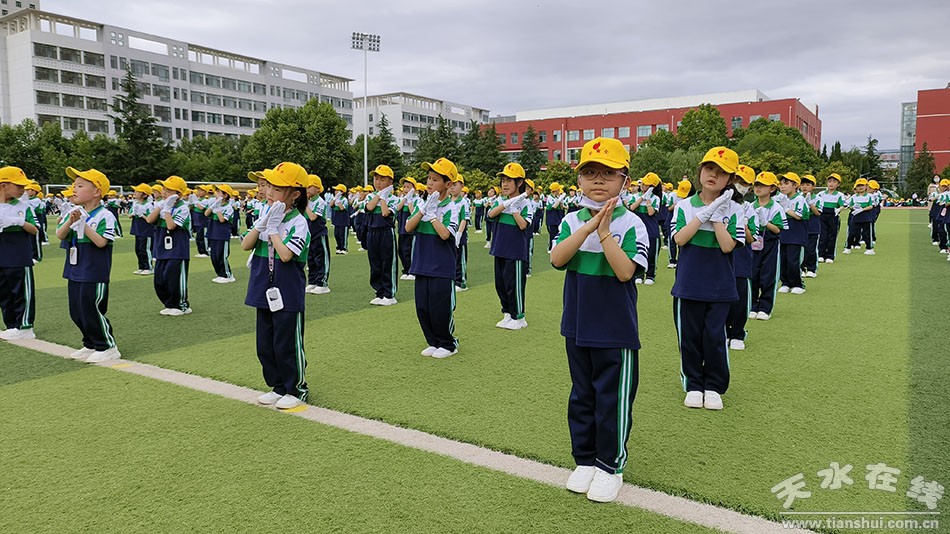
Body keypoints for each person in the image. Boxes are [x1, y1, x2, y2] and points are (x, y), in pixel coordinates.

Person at [550, 137, 648, 504]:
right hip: (576, 323)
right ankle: (585, 459)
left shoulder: (634, 223)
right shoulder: (571, 220)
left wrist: (604, 231)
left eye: (608, 173)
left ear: (625, 180)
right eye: (590, 173)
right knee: (582, 396)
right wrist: (587, 228)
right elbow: (558, 259)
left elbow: (625, 272)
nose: (598, 181)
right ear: (578, 181)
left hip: (616, 328)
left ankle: (610, 466)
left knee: (613, 400)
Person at [670, 147, 745, 411]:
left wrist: (717, 218)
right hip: (688, 284)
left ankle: (714, 385)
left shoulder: (736, 209)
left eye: (721, 172)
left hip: (720, 286)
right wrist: (703, 213)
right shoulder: (684, 205)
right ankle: (693, 384)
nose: (713, 175)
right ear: (700, 171)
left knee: (715, 337)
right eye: (709, 169)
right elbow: (679, 239)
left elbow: (727, 246)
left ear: (731, 180)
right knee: (689, 338)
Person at [242, 162, 311, 410]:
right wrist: (262, 225)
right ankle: (278, 386)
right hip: (263, 287)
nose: (269, 191)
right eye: (269, 185)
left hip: (287, 290)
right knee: (265, 344)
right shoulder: (265, 213)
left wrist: (273, 231)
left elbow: (285, 255)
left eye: (277, 187)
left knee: (286, 343)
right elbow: (245, 245)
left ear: (295, 194)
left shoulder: (298, 222)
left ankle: (296, 388)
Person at [56, 167, 119, 362]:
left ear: (97, 192)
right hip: (75, 269)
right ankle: (89, 343)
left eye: (80, 186)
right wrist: (71, 221)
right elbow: (60, 234)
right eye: (74, 185)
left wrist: (84, 223)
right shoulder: (74, 212)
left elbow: (101, 242)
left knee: (91, 308)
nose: (74, 189)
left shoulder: (105, 215)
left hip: (94, 271)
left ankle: (106, 345)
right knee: (76, 310)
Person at [405, 157, 461, 359]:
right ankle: (432, 341)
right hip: (422, 264)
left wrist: (433, 216)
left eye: (435, 179)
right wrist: (422, 211)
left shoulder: (451, 208)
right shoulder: (423, 204)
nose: (429, 183)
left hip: (441, 267)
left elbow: (446, 234)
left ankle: (448, 343)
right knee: (423, 307)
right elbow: (408, 227)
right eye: (429, 178)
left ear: (448, 184)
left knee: (440, 308)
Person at [487, 163, 533, 330]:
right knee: (501, 284)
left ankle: (519, 316)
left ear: (519, 183)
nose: (504, 184)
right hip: (499, 248)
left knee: (514, 285)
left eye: (509, 180)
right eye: (503, 180)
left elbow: (523, 225)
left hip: (515, 251)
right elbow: (490, 214)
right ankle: (507, 313)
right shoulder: (500, 201)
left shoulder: (526, 203)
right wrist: (506, 204)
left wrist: (514, 210)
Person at [0, 167, 39, 341]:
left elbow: (34, 229)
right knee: (4, 292)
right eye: (18, 185)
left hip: (18, 255)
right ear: (3, 185)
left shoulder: (23, 206)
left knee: (21, 291)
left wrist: (19, 221)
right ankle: (11, 326)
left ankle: (25, 326)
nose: (22, 189)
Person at [145, 175, 193, 316]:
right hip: (161, 248)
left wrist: (166, 210)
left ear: (178, 194)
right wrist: (161, 207)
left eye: (169, 190)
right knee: (160, 279)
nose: (164, 192)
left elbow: (171, 226)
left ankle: (181, 305)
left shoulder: (182, 208)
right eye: (164, 189)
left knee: (174, 278)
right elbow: (149, 220)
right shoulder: (161, 205)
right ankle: (169, 303)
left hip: (177, 249)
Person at [726, 165, 757, 351]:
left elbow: (753, 238)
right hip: (721, 258)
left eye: (744, 183)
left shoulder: (749, 209)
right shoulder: (720, 204)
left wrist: (743, 227)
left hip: (741, 258)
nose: (740, 186)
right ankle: (721, 331)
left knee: (740, 297)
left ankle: (737, 333)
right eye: (738, 181)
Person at [749, 172, 786, 321]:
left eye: (762, 185)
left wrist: (765, 222)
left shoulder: (776, 208)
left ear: (772, 188)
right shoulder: (751, 206)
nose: (758, 188)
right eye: (756, 184)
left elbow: (778, 229)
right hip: (754, 243)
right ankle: (752, 305)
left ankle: (765, 307)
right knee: (752, 274)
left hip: (770, 243)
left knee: (768, 275)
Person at [363, 166, 398, 305]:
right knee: (375, 263)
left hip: (386, 233)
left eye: (382, 179)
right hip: (372, 233)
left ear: (390, 182)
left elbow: (385, 213)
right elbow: (369, 208)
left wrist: (383, 197)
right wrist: (379, 195)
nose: (377, 182)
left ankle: (389, 294)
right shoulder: (371, 196)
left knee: (387, 263)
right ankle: (379, 292)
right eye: (376, 179)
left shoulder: (393, 199)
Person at [625, 172, 661, 285]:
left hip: (651, 228)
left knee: (651, 252)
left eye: (646, 184)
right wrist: (642, 198)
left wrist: (648, 201)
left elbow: (651, 213)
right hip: (638, 228)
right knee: (638, 251)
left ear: (652, 187)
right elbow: (632, 207)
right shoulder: (635, 197)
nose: (643, 186)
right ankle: (639, 275)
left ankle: (650, 275)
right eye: (643, 183)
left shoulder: (656, 199)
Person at [777, 172, 807, 294]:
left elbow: (799, 216)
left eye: (786, 183)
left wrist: (786, 208)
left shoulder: (799, 198)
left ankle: (797, 283)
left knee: (793, 260)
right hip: (783, 234)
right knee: (783, 260)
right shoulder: (781, 198)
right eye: (781, 184)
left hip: (796, 234)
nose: (782, 186)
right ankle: (785, 282)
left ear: (795, 185)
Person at [205, 184, 237, 283]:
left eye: (219, 192)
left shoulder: (229, 207)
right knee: (214, 256)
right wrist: (214, 206)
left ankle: (228, 275)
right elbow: (206, 214)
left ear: (225, 195)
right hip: (213, 233)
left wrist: (218, 209)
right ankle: (220, 274)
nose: (216, 193)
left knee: (221, 255)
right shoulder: (215, 204)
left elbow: (222, 220)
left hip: (222, 235)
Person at [304, 174, 331, 295]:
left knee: (321, 258)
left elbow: (313, 217)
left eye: (309, 187)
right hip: (309, 234)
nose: (307, 190)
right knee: (311, 259)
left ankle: (322, 283)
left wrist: (304, 205)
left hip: (319, 233)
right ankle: (313, 281)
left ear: (317, 189)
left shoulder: (320, 202)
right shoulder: (307, 202)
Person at [816, 173, 846, 264]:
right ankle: (821, 255)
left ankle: (830, 256)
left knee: (832, 236)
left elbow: (842, 205)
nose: (831, 184)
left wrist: (838, 210)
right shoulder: (821, 194)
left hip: (833, 216)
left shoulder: (839, 195)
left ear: (838, 184)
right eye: (829, 181)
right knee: (822, 236)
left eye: (834, 182)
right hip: (822, 216)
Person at [843, 178, 876, 255]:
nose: (860, 187)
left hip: (866, 217)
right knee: (851, 233)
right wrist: (854, 207)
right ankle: (848, 247)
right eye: (858, 186)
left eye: (862, 185)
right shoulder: (854, 196)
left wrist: (862, 209)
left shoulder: (870, 196)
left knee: (867, 234)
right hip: (855, 217)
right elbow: (850, 206)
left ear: (866, 186)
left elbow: (871, 206)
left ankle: (869, 248)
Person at [396, 177, 420, 280]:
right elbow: (397, 208)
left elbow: (413, 213)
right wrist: (405, 198)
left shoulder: (417, 200)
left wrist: (410, 201)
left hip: (411, 231)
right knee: (401, 250)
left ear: (414, 188)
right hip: (401, 229)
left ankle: (413, 271)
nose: (405, 189)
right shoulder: (402, 199)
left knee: (410, 251)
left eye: (408, 187)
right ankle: (406, 270)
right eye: (404, 187)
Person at [449, 175, 470, 291]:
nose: (452, 188)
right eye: (451, 185)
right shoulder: (448, 201)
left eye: (455, 185)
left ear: (462, 186)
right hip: (449, 234)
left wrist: (459, 234)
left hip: (459, 235)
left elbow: (464, 219)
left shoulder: (463, 202)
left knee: (459, 259)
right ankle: (452, 279)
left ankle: (460, 281)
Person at [129, 183, 155, 275]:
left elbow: (151, 219)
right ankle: (141, 266)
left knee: (145, 249)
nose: (135, 193)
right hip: (137, 228)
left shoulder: (148, 205)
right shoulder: (135, 203)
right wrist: (133, 214)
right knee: (138, 249)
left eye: (138, 191)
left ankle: (149, 267)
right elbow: (130, 214)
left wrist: (141, 215)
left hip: (146, 229)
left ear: (144, 195)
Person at [800, 174, 821, 278]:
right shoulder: (797, 197)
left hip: (813, 224)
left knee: (811, 249)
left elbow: (818, 213)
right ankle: (802, 268)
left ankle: (812, 268)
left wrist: (810, 204)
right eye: (803, 184)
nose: (804, 187)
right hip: (800, 225)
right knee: (801, 249)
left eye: (808, 184)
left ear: (813, 186)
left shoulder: (817, 198)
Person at [667, 179, 691, 269]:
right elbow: (668, 208)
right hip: (672, 219)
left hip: (685, 221)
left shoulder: (690, 199)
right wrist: (676, 205)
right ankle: (672, 260)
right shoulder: (673, 195)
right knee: (672, 240)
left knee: (683, 242)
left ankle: (681, 260)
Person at [544, 183, 566, 253]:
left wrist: (561, 201)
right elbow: (554, 207)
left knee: (558, 233)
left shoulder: (556, 197)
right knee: (552, 234)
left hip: (557, 217)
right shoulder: (550, 198)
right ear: (555, 190)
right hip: (552, 218)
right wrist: (559, 199)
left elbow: (562, 208)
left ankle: (556, 247)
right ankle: (550, 248)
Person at [330, 184, 350, 254]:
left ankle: (344, 248)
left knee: (342, 235)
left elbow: (342, 208)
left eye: (337, 190)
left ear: (342, 192)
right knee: (337, 234)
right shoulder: (335, 198)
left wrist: (338, 200)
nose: (335, 191)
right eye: (335, 190)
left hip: (343, 220)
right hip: (336, 219)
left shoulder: (344, 199)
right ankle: (339, 247)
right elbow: (331, 205)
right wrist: (335, 198)